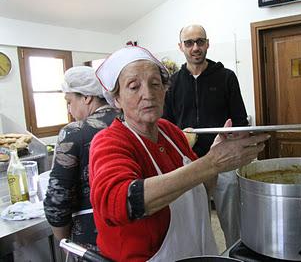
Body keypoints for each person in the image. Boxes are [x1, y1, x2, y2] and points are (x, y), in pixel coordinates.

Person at [89, 45, 269, 261]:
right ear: (116, 99)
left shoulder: (170, 132)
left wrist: (216, 155)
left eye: (155, 84)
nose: (148, 94)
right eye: (134, 87)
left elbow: (202, 189)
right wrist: (213, 162)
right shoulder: (109, 141)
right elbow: (119, 203)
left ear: (165, 90)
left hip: (197, 252)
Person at [163, 24, 249, 247]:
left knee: (233, 225)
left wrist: (232, 140)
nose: (195, 47)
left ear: (208, 43)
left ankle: (236, 255)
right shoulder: (171, 84)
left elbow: (240, 121)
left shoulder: (227, 77)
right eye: (189, 43)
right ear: (180, 47)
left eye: (200, 42)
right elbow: (166, 125)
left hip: (225, 162)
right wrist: (181, 139)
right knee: (190, 222)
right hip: (186, 162)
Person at [43, 66, 119, 255]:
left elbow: (58, 199)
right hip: (135, 233)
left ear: (86, 97)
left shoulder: (75, 132)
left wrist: (64, 240)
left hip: (94, 239)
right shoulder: (129, 121)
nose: (69, 109)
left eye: (69, 101)